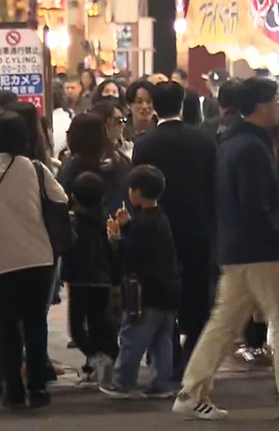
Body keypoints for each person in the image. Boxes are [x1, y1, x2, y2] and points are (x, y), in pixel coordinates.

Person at [172, 78, 279, 421]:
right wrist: (278, 239)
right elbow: (257, 204)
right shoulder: (251, 147)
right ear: (261, 106)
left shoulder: (236, 142)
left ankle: (192, 390)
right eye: (276, 100)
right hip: (258, 249)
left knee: (225, 322)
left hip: (237, 247)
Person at [0, 113, 67, 409]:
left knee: (5, 326)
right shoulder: (36, 168)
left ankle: (13, 391)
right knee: (35, 324)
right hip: (37, 257)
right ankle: (38, 387)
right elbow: (61, 199)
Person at [131, 81, 217, 373]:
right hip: (198, 225)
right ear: (182, 104)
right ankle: (195, 348)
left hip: (159, 227)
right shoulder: (204, 140)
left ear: (155, 106)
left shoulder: (145, 143)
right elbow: (213, 185)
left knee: (162, 291)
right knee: (197, 287)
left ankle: (165, 353)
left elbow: (138, 187)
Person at [102, 165, 180, 398]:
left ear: (136, 192)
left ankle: (122, 383)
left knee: (132, 340)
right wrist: (127, 226)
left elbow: (132, 255)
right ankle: (161, 383)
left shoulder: (142, 223)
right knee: (161, 342)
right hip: (168, 291)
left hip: (145, 295)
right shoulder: (160, 217)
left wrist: (116, 237)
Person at [63, 172, 119, 387]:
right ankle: (100, 362)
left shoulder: (74, 222)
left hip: (79, 280)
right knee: (99, 322)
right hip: (102, 278)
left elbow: (68, 249)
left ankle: (96, 358)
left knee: (77, 328)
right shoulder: (106, 219)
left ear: (74, 196)